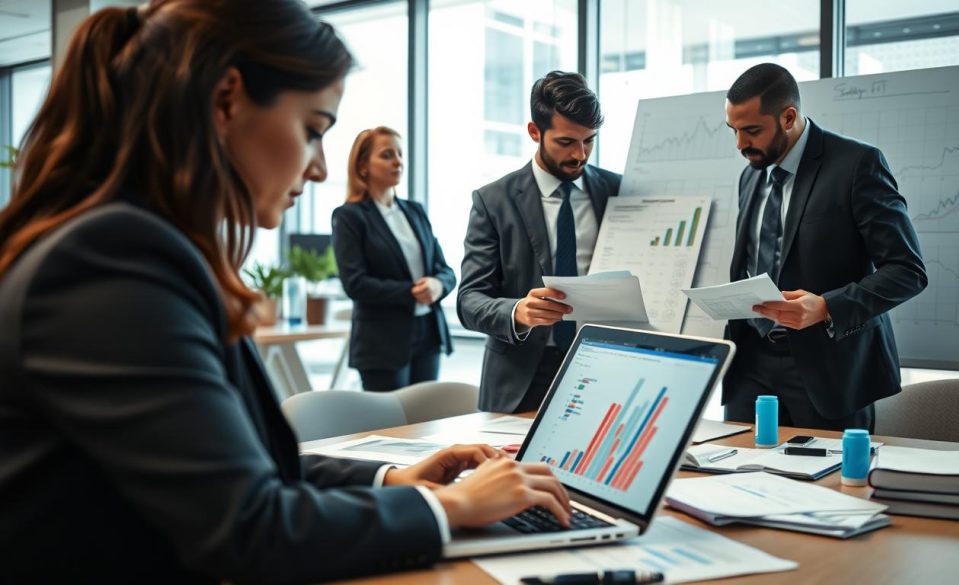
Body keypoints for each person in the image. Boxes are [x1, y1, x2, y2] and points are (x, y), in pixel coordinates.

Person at [0, 2, 571, 582]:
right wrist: (449, 506)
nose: (320, 168)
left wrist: (394, 479)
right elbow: (250, 529)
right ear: (226, 101)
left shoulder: (134, 247)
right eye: (312, 131)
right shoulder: (112, 264)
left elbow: (244, 471)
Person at [722, 63, 928, 432]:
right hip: (749, 365)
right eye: (734, 131)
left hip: (827, 370)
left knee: (830, 486)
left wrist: (827, 307)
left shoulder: (857, 165)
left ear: (788, 117)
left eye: (751, 130)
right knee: (734, 480)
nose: (740, 144)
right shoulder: (751, 174)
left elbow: (908, 271)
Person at [458, 71, 621, 413]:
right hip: (521, 376)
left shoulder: (618, 191)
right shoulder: (493, 200)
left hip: (604, 367)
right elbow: (469, 300)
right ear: (535, 132)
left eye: (589, 140)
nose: (580, 154)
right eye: (566, 142)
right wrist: (518, 311)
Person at [332, 127, 455, 391]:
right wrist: (411, 292)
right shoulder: (349, 217)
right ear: (363, 165)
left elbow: (445, 270)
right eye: (387, 155)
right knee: (390, 427)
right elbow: (356, 284)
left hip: (427, 333)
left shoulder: (415, 211)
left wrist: (438, 285)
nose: (398, 161)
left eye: (400, 154)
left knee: (425, 423)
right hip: (381, 342)